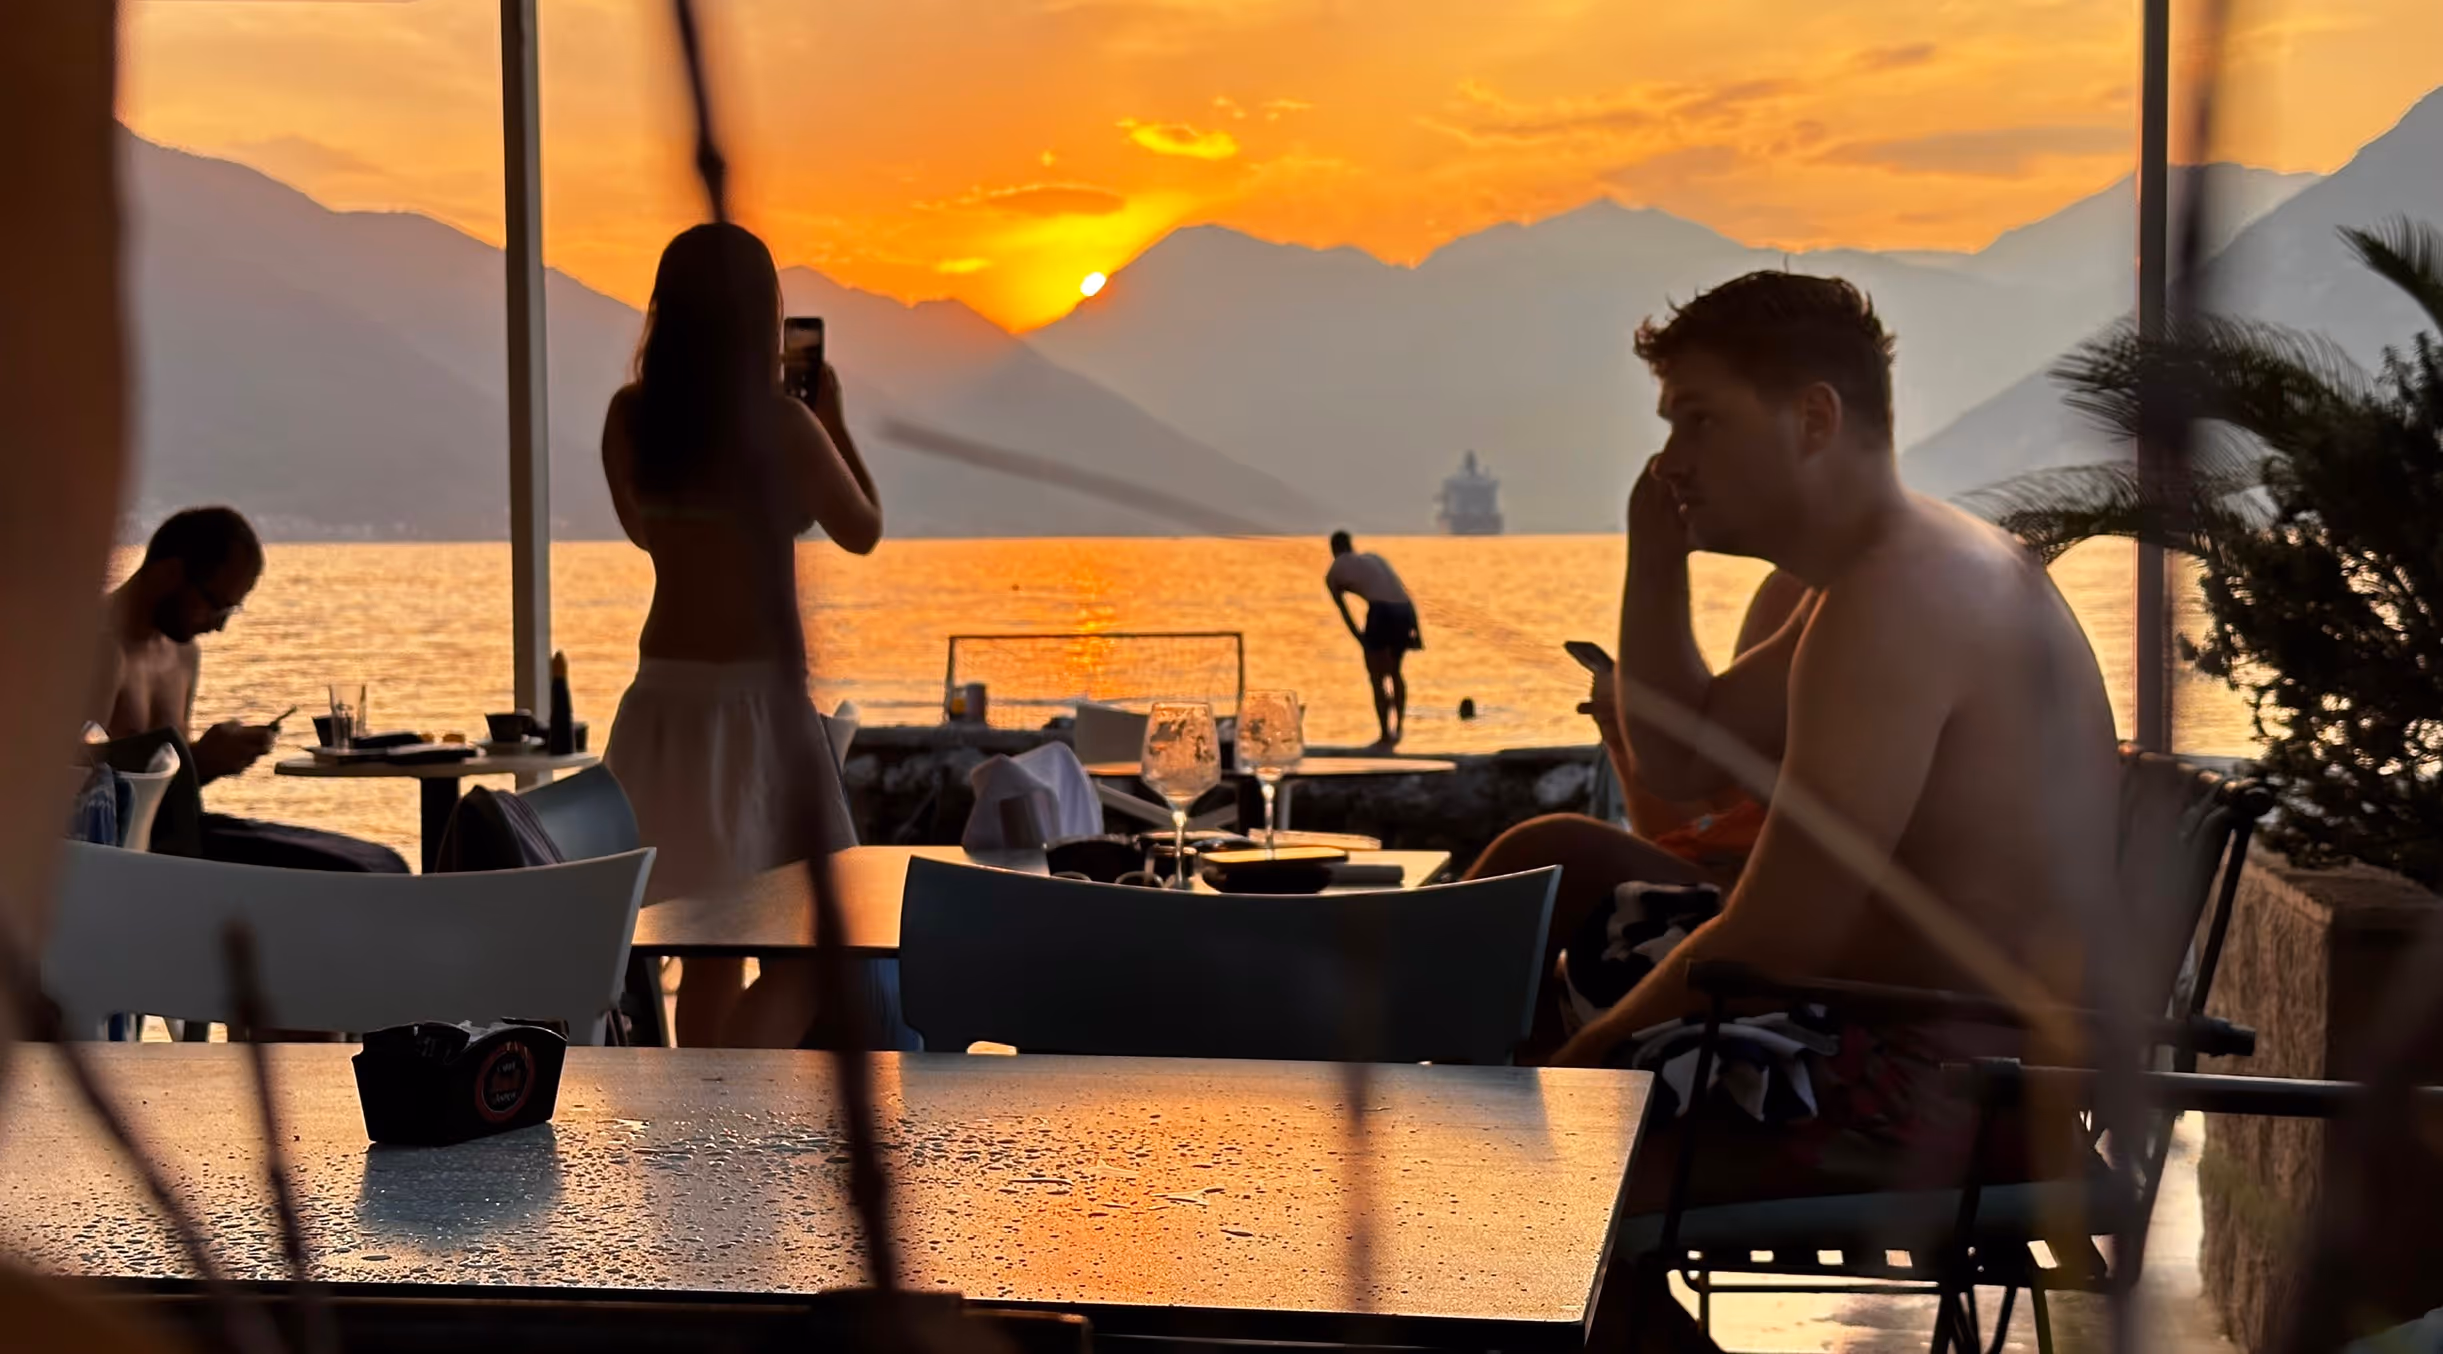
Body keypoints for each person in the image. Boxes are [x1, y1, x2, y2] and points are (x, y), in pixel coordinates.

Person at [1546, 272, 2120, 1338]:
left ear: (1813, 418)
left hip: (1932, 1071)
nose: (1671, 459)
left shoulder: (1900, 598)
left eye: (1699, 421)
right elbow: (1681, 755)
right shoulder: (1859, 577)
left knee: (1527, 1150)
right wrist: (1652, 549)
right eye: (1668, 426)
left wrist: (1578, 1063)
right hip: (1867, 1015)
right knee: (1555, 865)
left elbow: (1781, 934)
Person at [601, 221, 882, 1049]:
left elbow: (647, 535)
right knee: (817, 951)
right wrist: (829, 418)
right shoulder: (785, 426)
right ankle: (722, 1103)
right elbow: (861, 527)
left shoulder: (631, 418)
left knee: (706, 948)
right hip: (759, 707)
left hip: (662, 705)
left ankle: (706, 1133)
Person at [1464, 568, 1810, 1057]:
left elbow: (1743, 791)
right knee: (1542, 868)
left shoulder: (1848, 595)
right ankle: (1487, 1086)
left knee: (1556, 853)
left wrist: (1657, 549)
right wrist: (1623, 731)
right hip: (1741, 881)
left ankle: (1474, 1081)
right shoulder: (1796, 588)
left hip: (1814, 909)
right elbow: (1714, 820)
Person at [96, 506, 407, 872]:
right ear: (171, 572)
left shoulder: (182, 654)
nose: (219, 628)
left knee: (382, 863)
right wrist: (199, 761)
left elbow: (172, 797)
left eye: (230, 612)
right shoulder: (93, 649)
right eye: (216, 607)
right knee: (359, 873)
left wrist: (212, 761)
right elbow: (76, 795)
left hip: (180, 837)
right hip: (123, 859)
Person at [1324, 530, 1421, 749]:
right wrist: (1416, 631)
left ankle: (1386, 735)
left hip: (1382, 611)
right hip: (1404, 611)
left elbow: (1345, 612)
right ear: (1351, 546)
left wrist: (1360, 638)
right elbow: (1403, 592)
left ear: (1333, 549)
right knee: (1395, 672)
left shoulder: (1334, 572)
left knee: (1377, 676)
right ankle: (1398, 730)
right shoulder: (1375, 558)